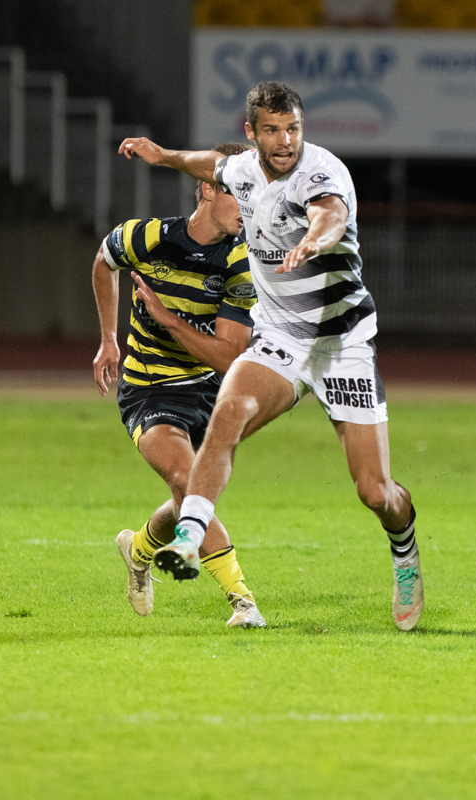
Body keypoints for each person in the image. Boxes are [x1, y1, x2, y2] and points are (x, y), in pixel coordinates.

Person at [116, 81, 424, 631]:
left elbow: (328, 213)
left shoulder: (322, 173)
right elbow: (207, 163)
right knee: (227, 415)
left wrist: (314, 241)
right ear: (251, 134)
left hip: (340, 343)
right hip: (281, 336)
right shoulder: (239, 172)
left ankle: (404, 548)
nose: (285, 141)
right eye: (273, 131)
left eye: (293, 129)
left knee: (374, 492)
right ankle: (189, 537)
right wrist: (163, 156)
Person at [93, 142, 266, 628]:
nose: (251, 209)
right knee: (188, 482)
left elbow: (229, 355)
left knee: (188, 492)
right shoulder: (149, 238)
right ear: (209, 189)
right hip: (148, 390)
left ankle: (139, 548)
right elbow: (103, 263)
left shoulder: (239, 262)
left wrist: (168, 320)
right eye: (243, 195)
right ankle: (243, 600)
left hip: (209, 392)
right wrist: (109, 339)